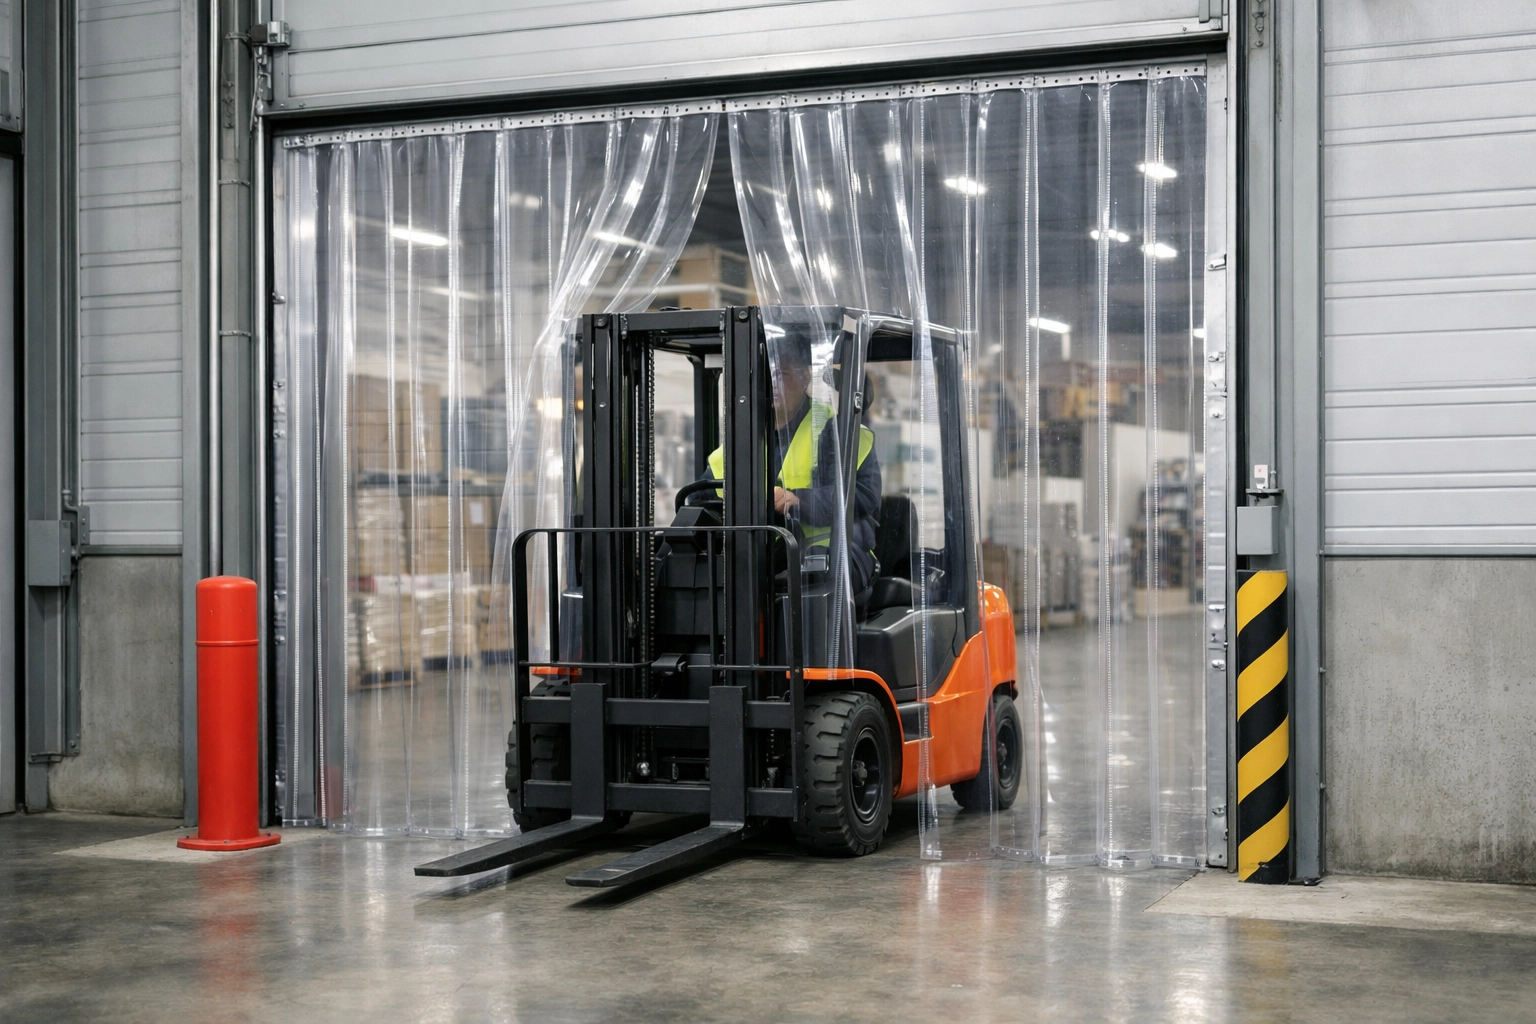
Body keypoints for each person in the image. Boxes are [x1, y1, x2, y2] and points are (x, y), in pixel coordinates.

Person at [697, 333, 883, 596]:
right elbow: (698, 500)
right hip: (767, 559)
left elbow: (862, 496)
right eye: (767, 375)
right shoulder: (739, 443)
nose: (772, 383)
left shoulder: (838, 433)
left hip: (836, 557)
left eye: (781, 375)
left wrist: (797, 501)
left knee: (801, 577)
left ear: (805, 376)